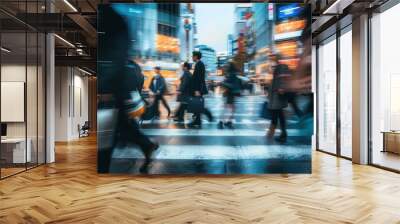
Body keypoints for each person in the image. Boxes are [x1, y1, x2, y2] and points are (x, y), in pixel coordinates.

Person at [97, 6, 158, 174]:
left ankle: (145, 145)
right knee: (121, 130)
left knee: (105, 145)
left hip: (110, 92)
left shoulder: (112, 18)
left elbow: (115, 57)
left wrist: (104, 86)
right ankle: (146, 145)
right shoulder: (111, 16)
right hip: (115, 92)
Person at [267, 53, 289, 143]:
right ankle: (281, 133)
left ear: (277, 58)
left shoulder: (282, 66)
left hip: (277, 95)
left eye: (273, 57)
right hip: (275, 95)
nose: (271, 59)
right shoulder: (278, 67)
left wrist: (281, 88)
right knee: (279, 114)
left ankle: (272, 133)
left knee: (276, 114)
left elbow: (282, 79)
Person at [188, 51, 213, 127]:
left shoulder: (199, 64)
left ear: (196, 56)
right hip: (198, 89)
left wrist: (197, 90)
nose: (192, 57)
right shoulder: (199, 64)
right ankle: (197, 121)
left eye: (193, 56)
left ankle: (207, 116)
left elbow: (199, 78)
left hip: (198, 89)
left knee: (198, 105)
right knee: (198, 105)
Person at [218, 62, 241, 129]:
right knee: (230, 108)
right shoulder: (231, 74)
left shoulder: (230, 74)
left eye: (227, 66)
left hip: (229, 93)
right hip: (229, 93)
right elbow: (231, 84)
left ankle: (225, 122)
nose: (226, 67)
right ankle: (224, 122)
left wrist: (223, 83)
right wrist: (223, 83)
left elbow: (228, 83)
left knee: (229, 108)